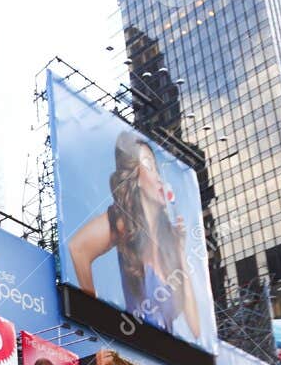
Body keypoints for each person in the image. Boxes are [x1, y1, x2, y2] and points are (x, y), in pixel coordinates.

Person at [66, 131, 202, 340]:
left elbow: (196, 329)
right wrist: (94, 318)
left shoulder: (169, 239)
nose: (157, 176)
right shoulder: (123, 221)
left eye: (156, 168)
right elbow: (77, 248)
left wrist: (180, 250)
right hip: (132, 349)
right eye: (148, 165)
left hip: (167, 359)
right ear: (135, 178)